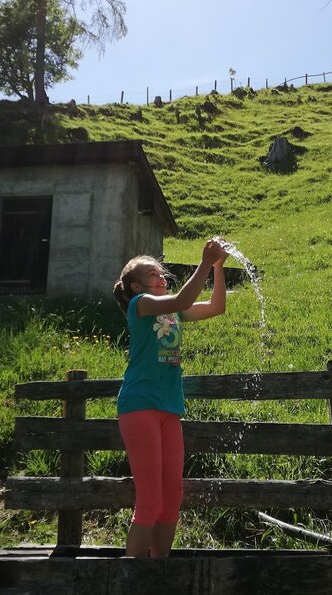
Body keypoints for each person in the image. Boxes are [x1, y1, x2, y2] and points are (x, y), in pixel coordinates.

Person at [112, 238, 228, 558]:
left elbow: (216, 307)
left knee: (171, 500)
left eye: (161, 272)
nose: (161, 276)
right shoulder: (141, 305)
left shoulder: (173, 312)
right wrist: (205, 262)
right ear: (136, 286)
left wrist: (218, 268)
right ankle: (133, 578)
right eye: (153, 274)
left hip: (169, 408)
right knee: (149, 501)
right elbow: (183, 299)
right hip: (140, 406)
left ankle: (159, 572)